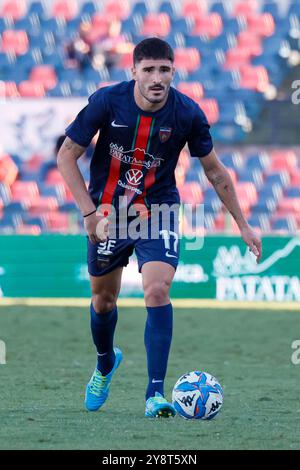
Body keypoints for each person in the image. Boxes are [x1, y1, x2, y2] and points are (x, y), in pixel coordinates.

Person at [57, 37, 262, 418]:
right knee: (104, 302)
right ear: (133, 71)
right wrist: (89, 214)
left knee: (156, 289)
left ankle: (155, 394)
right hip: (109, 213)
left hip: (159, 210)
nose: (157, 77)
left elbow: (215, 172)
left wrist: (244, 225)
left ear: (173, 72)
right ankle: (104, 363)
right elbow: (67, 155)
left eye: (164, 70)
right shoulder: (107, 101)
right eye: (148, 69)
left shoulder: (187, 113)